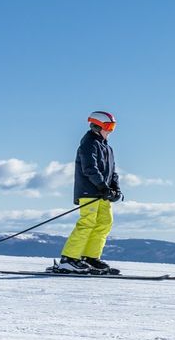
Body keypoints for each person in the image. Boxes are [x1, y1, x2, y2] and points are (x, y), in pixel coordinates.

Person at [52, 111, 123, 275]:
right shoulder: (88, 144)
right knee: (87, 222)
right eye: (109, 127)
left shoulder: (107, 148)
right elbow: (90, 169)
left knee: (105, 222)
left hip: (102, 193)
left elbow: (113, 172)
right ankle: (69, 259)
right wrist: (103, 187)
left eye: (113, 127)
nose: (111, 130)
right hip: (89, 191)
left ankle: (90, 257)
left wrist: (115, 188)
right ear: (97, 126)